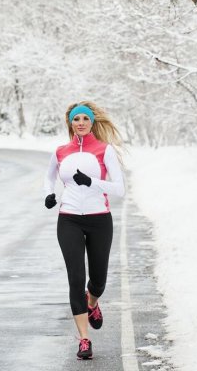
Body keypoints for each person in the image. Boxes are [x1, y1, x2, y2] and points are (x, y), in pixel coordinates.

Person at [43, 101, 125, 360]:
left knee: (97, 280)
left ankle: (93, 301)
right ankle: (84, 340)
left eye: (85, 119)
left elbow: (120, 189)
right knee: (75, 279)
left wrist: (92, 182)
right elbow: (49, 177)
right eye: (76, 119)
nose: (80, 123)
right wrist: (49, 194)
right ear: (71, 123)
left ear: (92, 122)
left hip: (100, 219)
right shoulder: (60, 151)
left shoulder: (104, 150)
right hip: (69, 219)